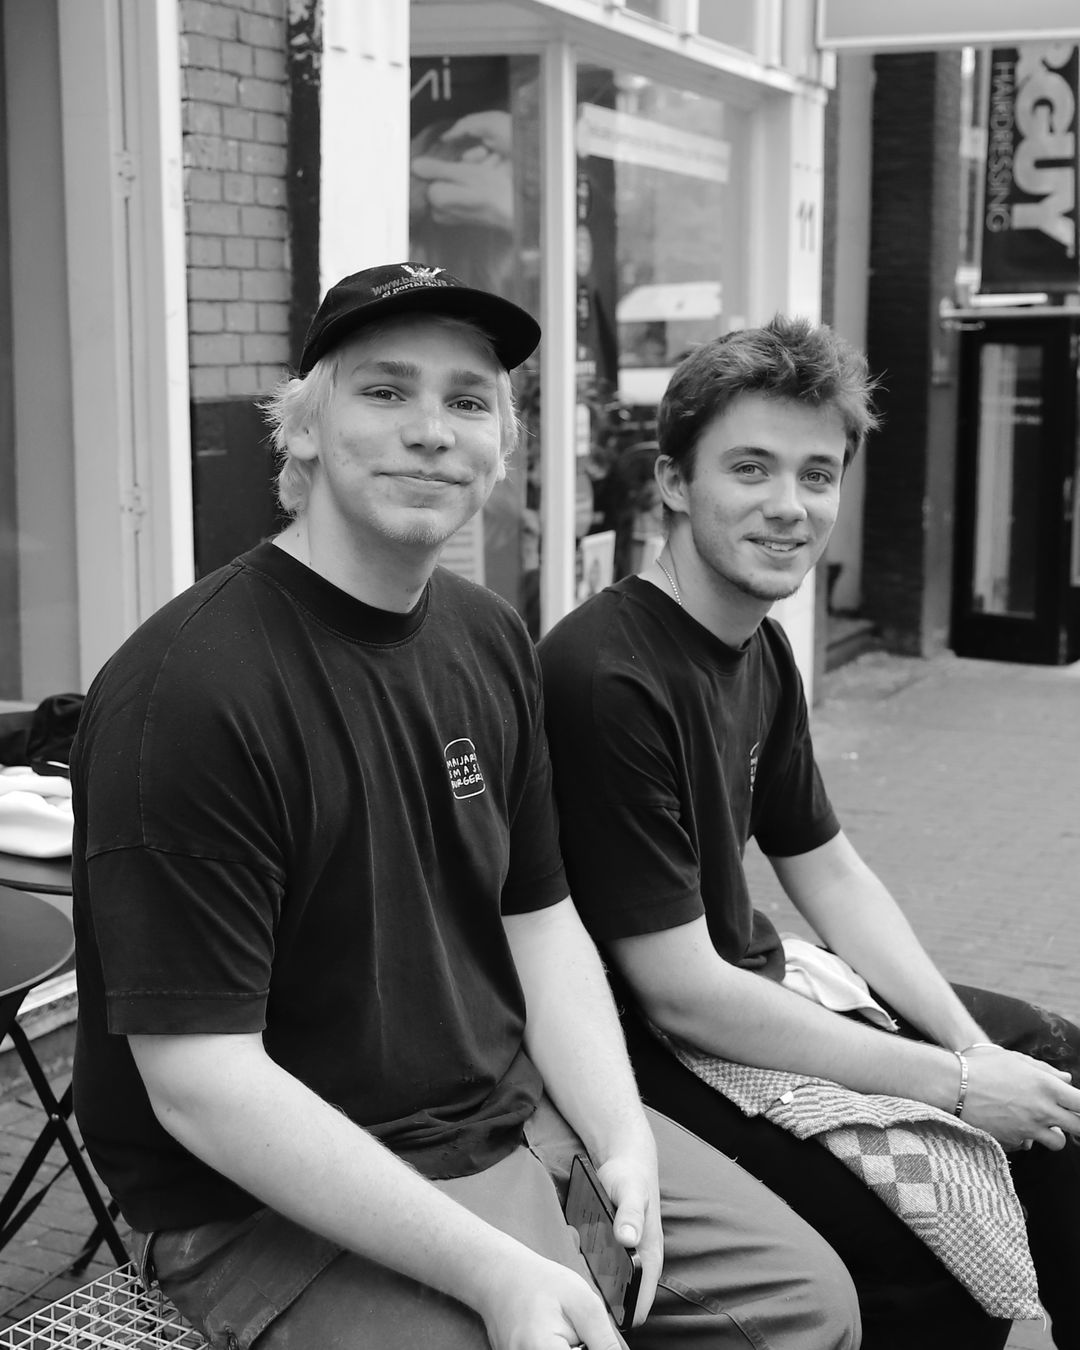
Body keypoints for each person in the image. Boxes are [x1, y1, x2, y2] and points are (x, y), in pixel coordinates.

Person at [70, 268, 860, 1350]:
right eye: (385, 393)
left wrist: (621, 1132)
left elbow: (538, 920)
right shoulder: (192, 694)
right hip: (267, 1205)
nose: (432, 432)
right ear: (302, 431)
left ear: (503, 443)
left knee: (809, 1307)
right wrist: (499, 1272)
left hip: (502, 1121)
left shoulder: (486, 637)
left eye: (469, 400)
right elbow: (204, 1085)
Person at [537, 317, 1080, 1350]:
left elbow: (827, 867)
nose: (790, 507)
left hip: (757, 990)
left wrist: (968, 1047)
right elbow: (678, 992)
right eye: (751, 468)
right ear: (670, 482)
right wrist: (960, 1087)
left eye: (817, 475)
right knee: (926, 1238)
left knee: (1053, 1073)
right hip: (647, 1057)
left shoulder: (759, 646)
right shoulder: (606, 676)